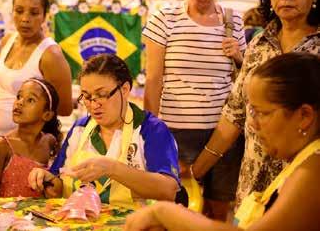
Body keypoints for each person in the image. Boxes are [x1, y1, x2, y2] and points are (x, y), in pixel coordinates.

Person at [124, 52, 320, 231]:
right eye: (251, 112)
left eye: (262, 113)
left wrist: (165, 213)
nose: (252, 125)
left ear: (304, 116)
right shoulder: (301, 162)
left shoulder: (313, 171)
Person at [190, 0, 319, 209]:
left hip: (305, 185)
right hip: (253, 187)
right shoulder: (259, 45)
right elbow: (235, 114)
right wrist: (195, 171)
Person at [142, 0, 246, 220]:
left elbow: (246, 80)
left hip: (222, 135)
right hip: (175, 133)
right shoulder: (165, 18)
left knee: (216, 212)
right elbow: (153, 80)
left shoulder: (233, 21)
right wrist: (150, 130)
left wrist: (238, 56)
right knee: (173, 212)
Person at [28, 54, 180, 208]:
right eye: (87, 97)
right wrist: (49, 182)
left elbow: (168, 189)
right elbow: (60, 181)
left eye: (101, 95)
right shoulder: (80, 129)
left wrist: (113, 169)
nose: (94, 105)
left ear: (125, 89)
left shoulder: (151, 130)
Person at [0, 0, 73, 188]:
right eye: (19, 11)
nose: (25, 18)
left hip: (25, 152)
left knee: (20, 210)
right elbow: (3, 90)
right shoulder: (7, 41)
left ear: (45, 15)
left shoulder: (51, 55)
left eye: (34, 12)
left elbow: (63, 108)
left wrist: (31, 118)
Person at [0, 78, 61, 198]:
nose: (20, 102)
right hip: (5, 216)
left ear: (47, 115)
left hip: (41, 215)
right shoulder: (3, 146)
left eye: (30, 100)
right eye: (19, 96)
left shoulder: (50, 142)